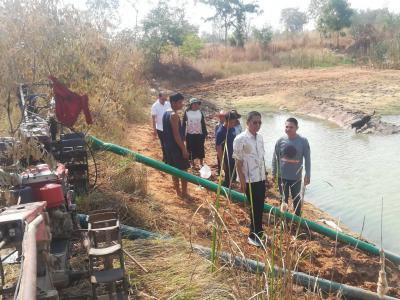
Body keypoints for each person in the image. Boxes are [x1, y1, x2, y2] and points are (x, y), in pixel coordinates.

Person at [233, 111, 267, 247]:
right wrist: (242, 182)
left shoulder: (260, 138)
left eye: (259, 122)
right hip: (249, 179)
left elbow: (262, 158)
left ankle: (259, 231)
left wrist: (266, 175)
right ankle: (253, 235)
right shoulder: (240, 139)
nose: (257, 125)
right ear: (247, 123)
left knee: (260, 207)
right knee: (254, 207)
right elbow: (238, 162)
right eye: (255, 122)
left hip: (260, 177)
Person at [272, 117, 311, 216]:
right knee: (283, 199)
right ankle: (283, 219)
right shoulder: (280, 141)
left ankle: (297, 218)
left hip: (296, 178)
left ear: (297, 128)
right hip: (282, 177)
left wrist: (308, 175)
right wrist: (274, 173)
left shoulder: (303, 141)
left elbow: (307, 159)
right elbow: (275, 158)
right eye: (286, 127)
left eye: (291, 127)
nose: (288, 129)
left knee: (296, 199)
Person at [162, 93, 190, 197]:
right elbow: (177, 135)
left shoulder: (166, 113)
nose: (182, 105)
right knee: (183, 171)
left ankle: (178, 192)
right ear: (173, 103)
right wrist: (184, 149)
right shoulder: (174, 116)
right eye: (180, 102)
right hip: (176, 148)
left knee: (173, 170)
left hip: (168, 147)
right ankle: (184, 193)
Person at [216, 110, 241, 187]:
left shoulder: (232, 129)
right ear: (227, 120)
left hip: (233, 155)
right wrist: (222, 163)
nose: (234, 124)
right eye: (232, 122)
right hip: (225, 158)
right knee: (228, 175)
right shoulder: (221, 132)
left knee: (233, 175)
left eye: (235, 122)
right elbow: (218, 149)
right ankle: (224, 188)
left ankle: (230, 185)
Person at [183, 98, 208, 168]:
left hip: (199, 133)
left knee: (200, 147)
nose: (196, 105)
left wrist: (205, 133)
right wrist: (182, 134)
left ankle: (201, 163)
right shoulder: (187, 112)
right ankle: (192, 163)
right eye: (194, 104)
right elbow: (183, 123)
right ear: (191, 105)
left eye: (197, 104)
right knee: (190, 148)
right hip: (190, 133)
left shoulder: (200, 112)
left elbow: (203, 123)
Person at [151, 92, 171, 162]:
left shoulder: (168, 104)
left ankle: (169, 158)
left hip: (169, 127)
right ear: (159, 97)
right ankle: (165, 159)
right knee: (164, 144)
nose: (164, 100)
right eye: (163, 99)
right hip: (160, 128)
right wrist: (154, 130)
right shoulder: (155, 106)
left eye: (165, 99)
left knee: (169, 143)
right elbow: (153, 119)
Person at [214, 110, 225, 174]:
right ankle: (219, 170)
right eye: (221, 116)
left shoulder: (227, 124)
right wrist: (216, 145)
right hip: (219, 144)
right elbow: (216, 136)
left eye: (223, 116)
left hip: (226, 143)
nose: (222, 118)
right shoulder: (217, 126)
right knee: (219, 156)